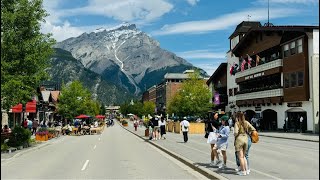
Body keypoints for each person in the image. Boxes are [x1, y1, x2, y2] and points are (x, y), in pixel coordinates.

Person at [234, 111, 256, 176]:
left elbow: (235, 132)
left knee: (240, 157)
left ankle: (243, 171)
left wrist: (236, 135)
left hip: (239, 139)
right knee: (244, 156)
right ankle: (246, 170)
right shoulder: (246, 122)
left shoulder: (237, 123)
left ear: (237, 117)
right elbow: (253, 129)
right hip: (246, 139)